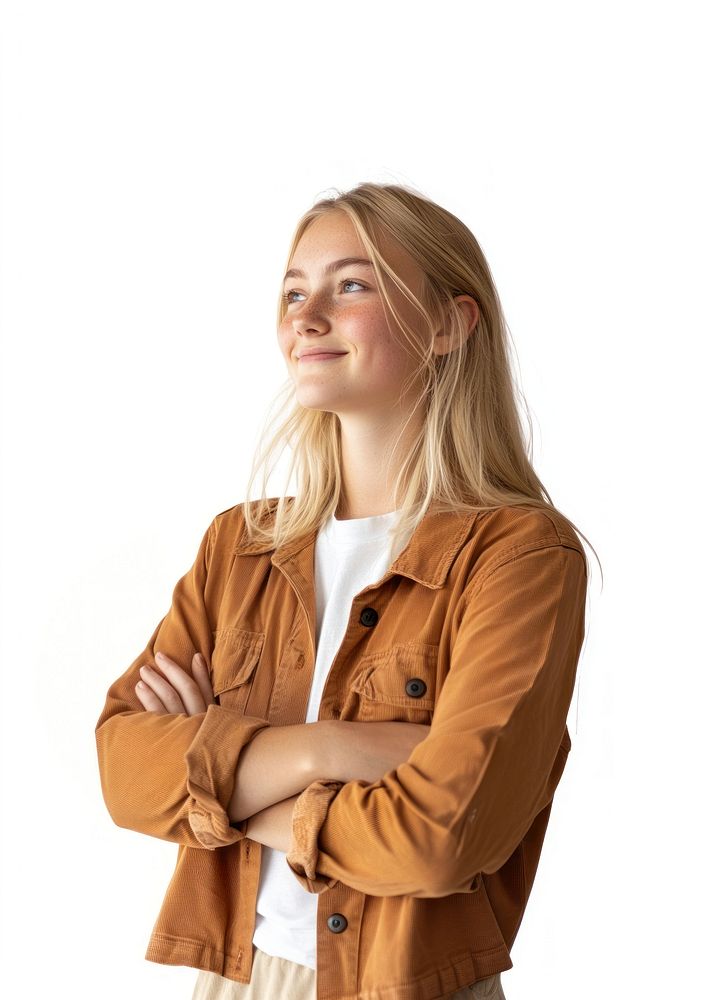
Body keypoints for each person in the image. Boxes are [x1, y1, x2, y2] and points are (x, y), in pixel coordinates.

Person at [95, 181, 599, 1000]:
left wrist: (229, 790)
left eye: (350, 284)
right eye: (294, 290)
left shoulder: (518, 555)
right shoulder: (240, 546)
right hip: (235, 978)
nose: (305, 315)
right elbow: (124, 769)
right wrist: (331, 748)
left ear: (447, 325)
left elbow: (442, 835)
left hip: (403, 984)